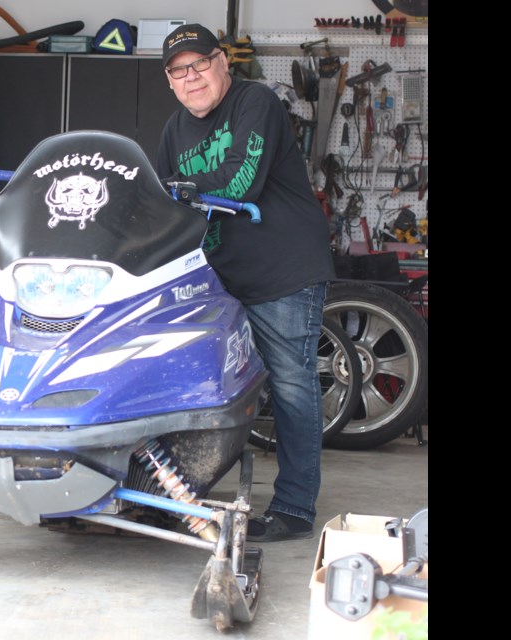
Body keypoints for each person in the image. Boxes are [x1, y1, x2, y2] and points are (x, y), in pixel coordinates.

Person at [155, 24, 336, 542]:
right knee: (197, 381)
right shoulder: (173, 130)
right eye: (179, 70)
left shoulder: (255, 103)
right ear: (169, 81)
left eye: (200, 64)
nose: (192, 78)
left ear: (223, 63)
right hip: (219, 278)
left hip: (283, 270)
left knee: (292, 385)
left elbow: (240, 183)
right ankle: (171, 492)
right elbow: (163, 204)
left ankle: (296, 509)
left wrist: (177, 192)